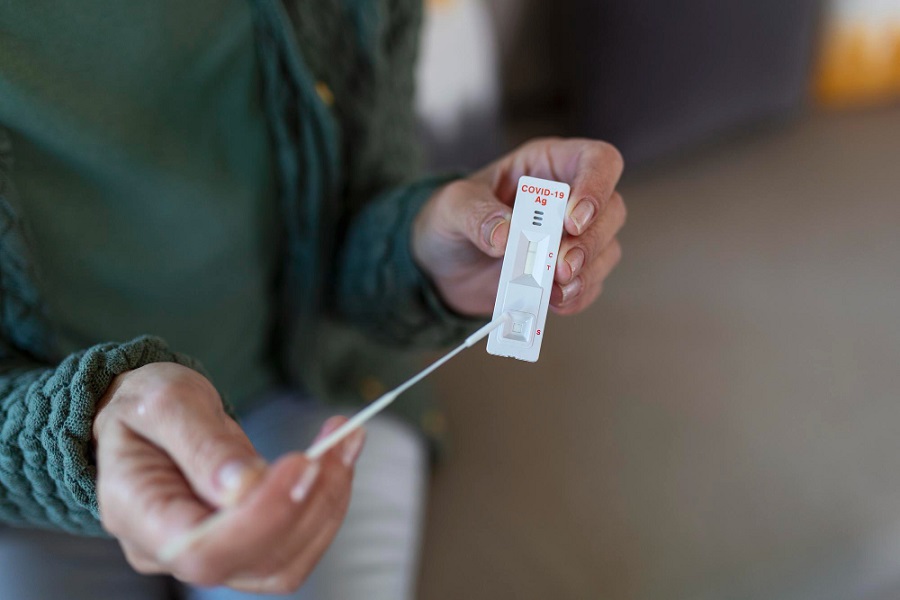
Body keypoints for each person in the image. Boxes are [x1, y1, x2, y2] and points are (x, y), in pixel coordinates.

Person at [0, 1, 626, 598]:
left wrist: (418, 251)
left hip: (312, 380)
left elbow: (362, 191)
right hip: (25, 456)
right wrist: (79, 433)